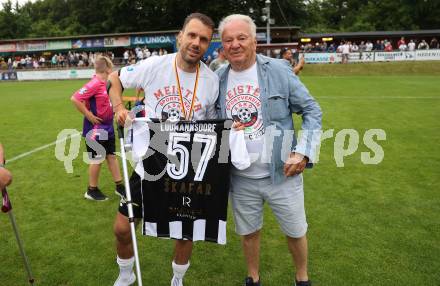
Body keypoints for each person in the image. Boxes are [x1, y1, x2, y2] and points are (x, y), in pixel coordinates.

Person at [107, 13, 218, 286]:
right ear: (180, 36)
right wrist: (119, 107)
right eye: (191, 35)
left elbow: (214, 126)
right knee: (122, 228)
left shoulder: (212, 81)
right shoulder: (156, 65)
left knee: (186, 232)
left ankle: (177, 280)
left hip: (189, 163)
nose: (196, 42)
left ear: (209, 45)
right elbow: (114, 78)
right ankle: (126, 275)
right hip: (151, 160)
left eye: (203, 39)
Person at [216, 14, 322, 286]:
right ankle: (253, 277)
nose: (235, 44)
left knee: (295, 231)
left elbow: (311, 109)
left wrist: (303, 151)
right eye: (229, 40)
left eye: (241, 38)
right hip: (240, 177)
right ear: (222, 45)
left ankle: (302, 278)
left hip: (281, 174)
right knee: (249, 232)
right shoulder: (216, 78)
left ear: (255, 40)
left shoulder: (278, 69)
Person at [71, 55, 124, 201]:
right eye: (111, 66)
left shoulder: (107, 83)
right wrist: (89, 115)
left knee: (111, 156)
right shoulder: (94, 83)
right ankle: (91, 190)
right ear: (107, 68)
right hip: (95, 129)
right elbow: (75, 98)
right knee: (97, 159)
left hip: (108, 127)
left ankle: (120, 187)